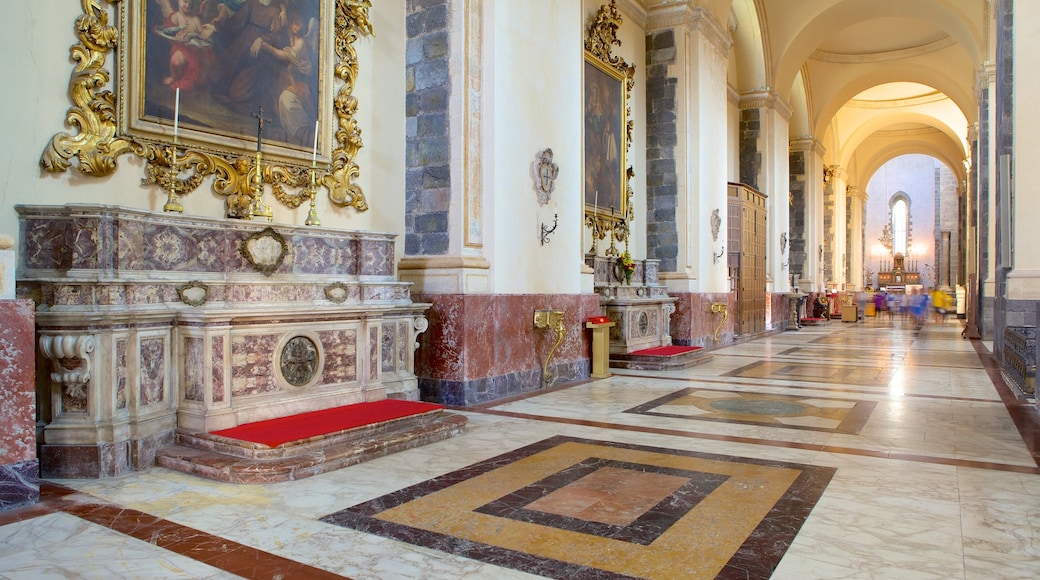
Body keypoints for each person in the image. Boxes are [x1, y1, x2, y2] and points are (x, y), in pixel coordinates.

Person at [154, 0, 215, 91]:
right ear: (178, 1)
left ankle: (196, 80)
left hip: (195, 51)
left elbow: (202, 35)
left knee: (202, 75)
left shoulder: (195, 19)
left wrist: (209, 29)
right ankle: (174, 77)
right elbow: (168, 31)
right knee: (175, 61)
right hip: (181, 48)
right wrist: (161, 31)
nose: (187, 5)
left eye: (190, 3)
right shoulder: (175, 17)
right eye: (185, 2)